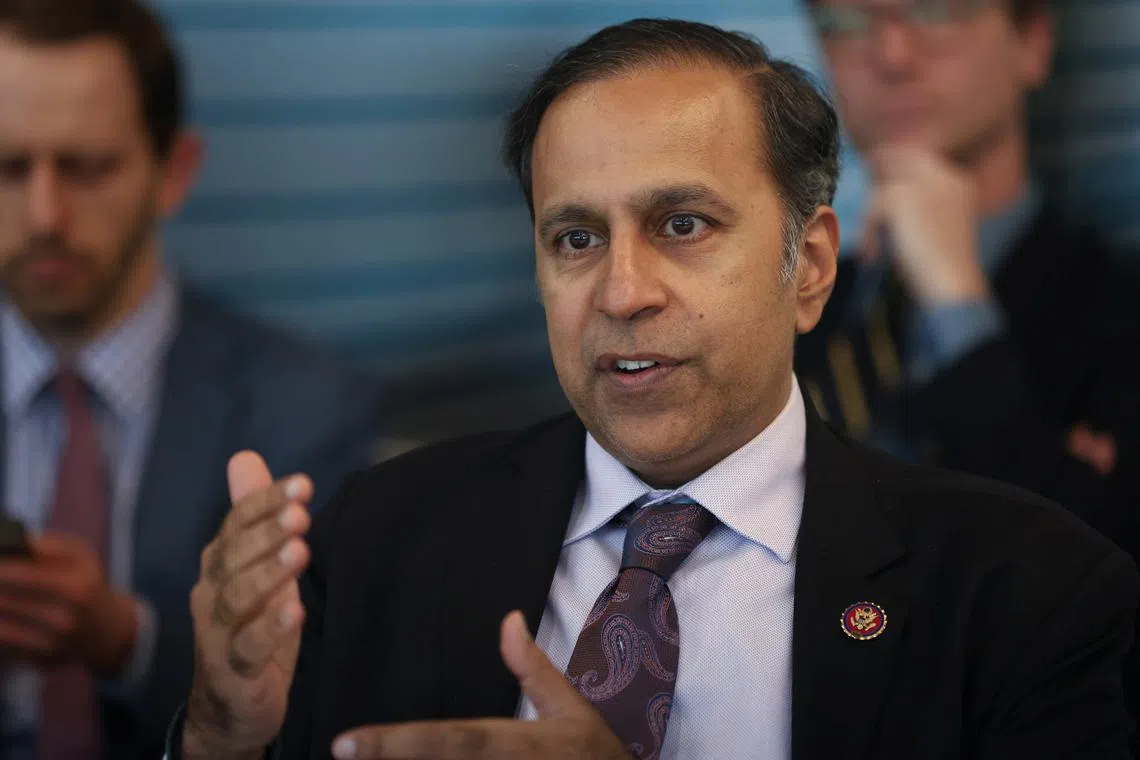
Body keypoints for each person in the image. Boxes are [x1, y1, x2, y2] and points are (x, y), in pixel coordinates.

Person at [168, 18, 1137, 760]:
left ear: (808, 265)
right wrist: (219, 734)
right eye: (576, 238)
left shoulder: (1023, 588)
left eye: (681, 224)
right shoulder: (373, 537)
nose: (622, 293)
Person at [0, 1, 385, 757]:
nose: (45, 214)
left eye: (86, 168)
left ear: (172, 172)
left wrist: (127, 641)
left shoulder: (306, 406)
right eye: (8, 167)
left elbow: (323, 699)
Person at [793, 0, 1140, 553]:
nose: (892, 54)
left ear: (1032, 42)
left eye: (936, 11)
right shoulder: (789, 309)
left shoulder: (1118, 311)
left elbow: (1098, 564)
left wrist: (956, 302)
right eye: (847, 24)